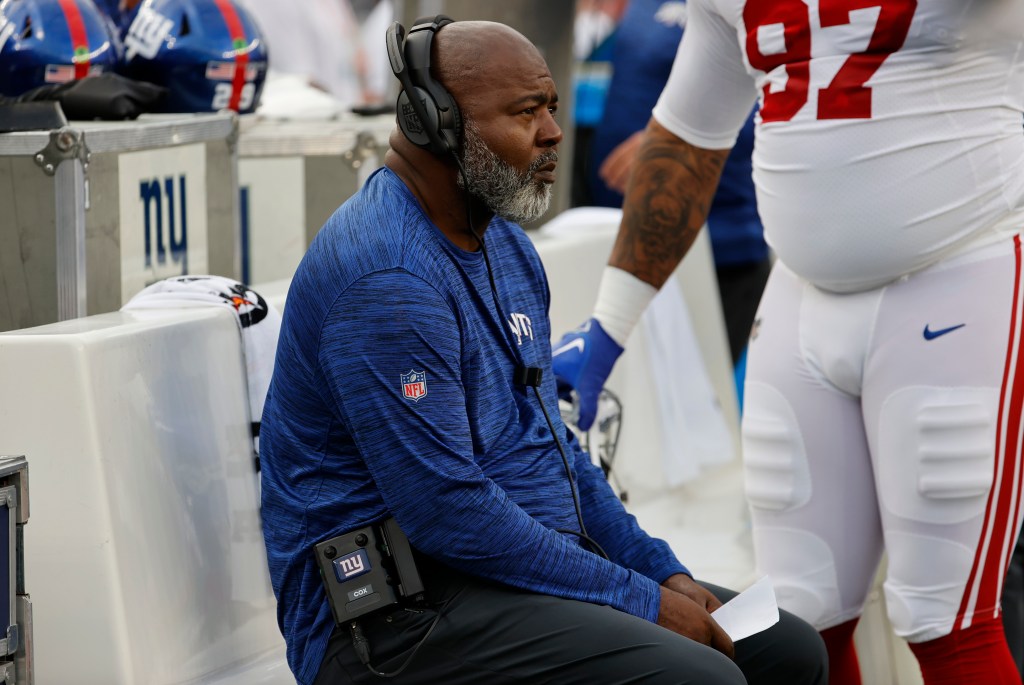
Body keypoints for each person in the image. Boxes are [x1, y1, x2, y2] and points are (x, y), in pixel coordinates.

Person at [258, 16, 827, 685]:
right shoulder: (389, 280)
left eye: (552, 108)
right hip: (388, 622)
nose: (554, 132)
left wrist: (658, 567)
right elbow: (448, 510)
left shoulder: (507, 247)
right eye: (526, 112)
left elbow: (555, 452)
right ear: (434, 123)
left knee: (786, 650)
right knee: (700, 677)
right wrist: (644, 601)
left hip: (493, 576)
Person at [551, 2, 1024, 684]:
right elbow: (686, 140)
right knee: (798, 618)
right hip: (800, 296)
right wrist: (608, 324)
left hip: (959, 277)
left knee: (945, 618)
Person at [587, 0, 769, 369]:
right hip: (621, 246)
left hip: (720, 252)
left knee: (695, 408)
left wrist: (667, 144)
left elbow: (782, 97)